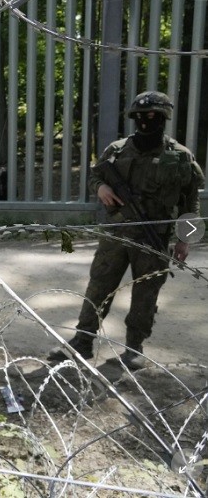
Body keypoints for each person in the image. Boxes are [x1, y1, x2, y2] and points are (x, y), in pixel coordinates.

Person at [48, 91, 204, 370]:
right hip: (115, 235)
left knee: (146, 294)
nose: (146, 121)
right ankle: (82, 341)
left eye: (153, 116)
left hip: (153, 236)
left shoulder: (180, 157)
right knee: (98, 287)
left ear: (164, 118)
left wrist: (185, 240)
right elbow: (95, 175)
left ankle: (134, 346)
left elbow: (190, 201)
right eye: (141, 117)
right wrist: (101, 188)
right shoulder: (117, 150)